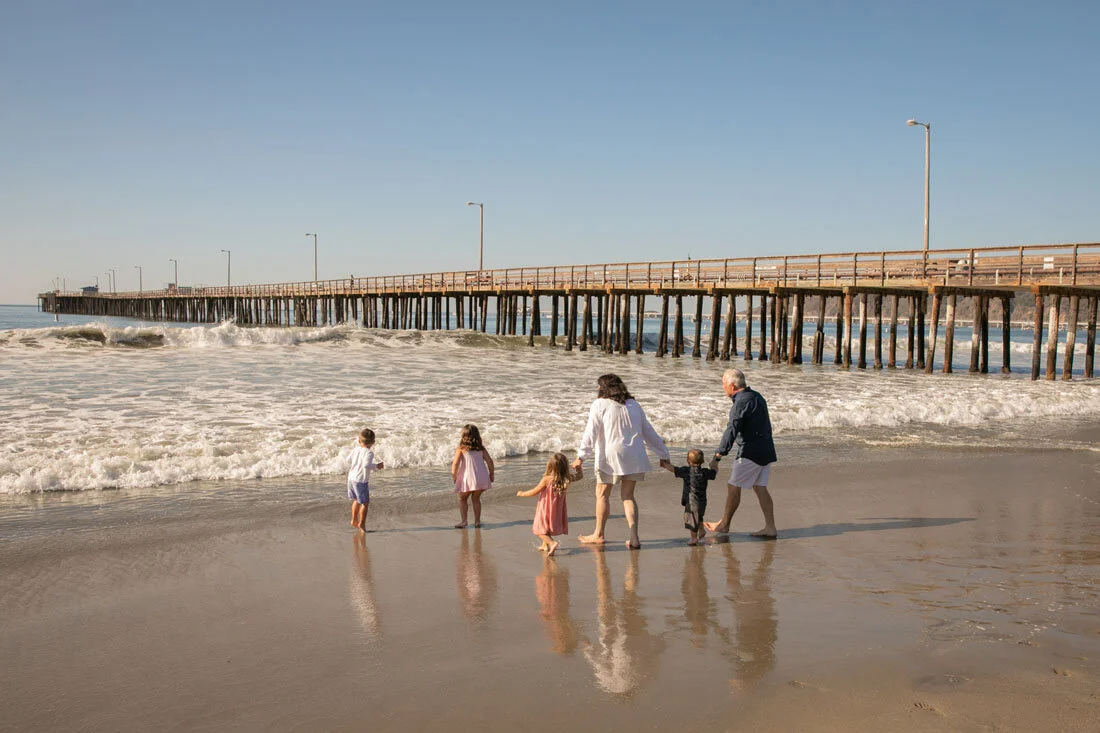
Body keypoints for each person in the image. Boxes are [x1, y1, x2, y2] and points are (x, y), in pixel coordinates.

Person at [571, 374, 672, 549]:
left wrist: (581, 456)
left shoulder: (599, 404)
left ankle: (599, 533)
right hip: (635, 454)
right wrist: (663, 454)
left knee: (602, 494)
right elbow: (649, 431)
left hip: (610, 455)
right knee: (628, 496)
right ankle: (634, 538)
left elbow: (591, 432)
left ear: (603, 388)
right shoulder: (634, 405)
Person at [704, 368, 778, 538]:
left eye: (723, 384)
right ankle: (770, 527)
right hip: (766, 449)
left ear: (732, 385)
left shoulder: (741, 402)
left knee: (733, 486)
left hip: (751, 451)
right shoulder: (757, 396)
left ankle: (724, 525)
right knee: (760, 488)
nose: (723, 388)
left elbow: (732, 429)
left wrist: (718, 456)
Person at [516, 452, 583, 556]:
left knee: (539, 529)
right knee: (545, 527)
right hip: (557, 510)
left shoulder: (546, 479)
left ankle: (552, 543)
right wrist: (578, 467)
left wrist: (522, 493)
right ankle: (545, 545)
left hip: (545, 509)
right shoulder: (567, 478)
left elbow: (535, 491)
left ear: (550, 466)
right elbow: (580, 476)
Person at [663, 448, 717, 545]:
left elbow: (673, 469)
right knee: (699, 517)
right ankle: (702, 531)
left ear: (688, 461)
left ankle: (693, 538)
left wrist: (665, 464)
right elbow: (714, 472)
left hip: (692, 502)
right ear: (703, 461)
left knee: (692, 520)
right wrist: (715, 464)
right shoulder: (705, 472)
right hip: (702, 501)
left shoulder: (685, 471)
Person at [451, 424, 494, 528]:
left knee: (462, 499)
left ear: (464, 436)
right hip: (481, 477)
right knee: (476, 499)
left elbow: (455, 464)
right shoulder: (481, 448)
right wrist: (491, 474)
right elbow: (490, 462)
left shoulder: (461, 449)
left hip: (467, 478)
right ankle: (477, 521)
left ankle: (464, 521)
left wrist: (454, 475)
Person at [346, 428, 383, 532]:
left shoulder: (355, 450)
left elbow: (347, 459)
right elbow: (366, 465)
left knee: (357, 500)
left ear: (359, 440)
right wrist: (377, 466)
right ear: (373, 442)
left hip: (351, 478)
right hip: (360, 481)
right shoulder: (369, 453)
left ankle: (354, 520)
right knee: (365, 503)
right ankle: (361, 524)